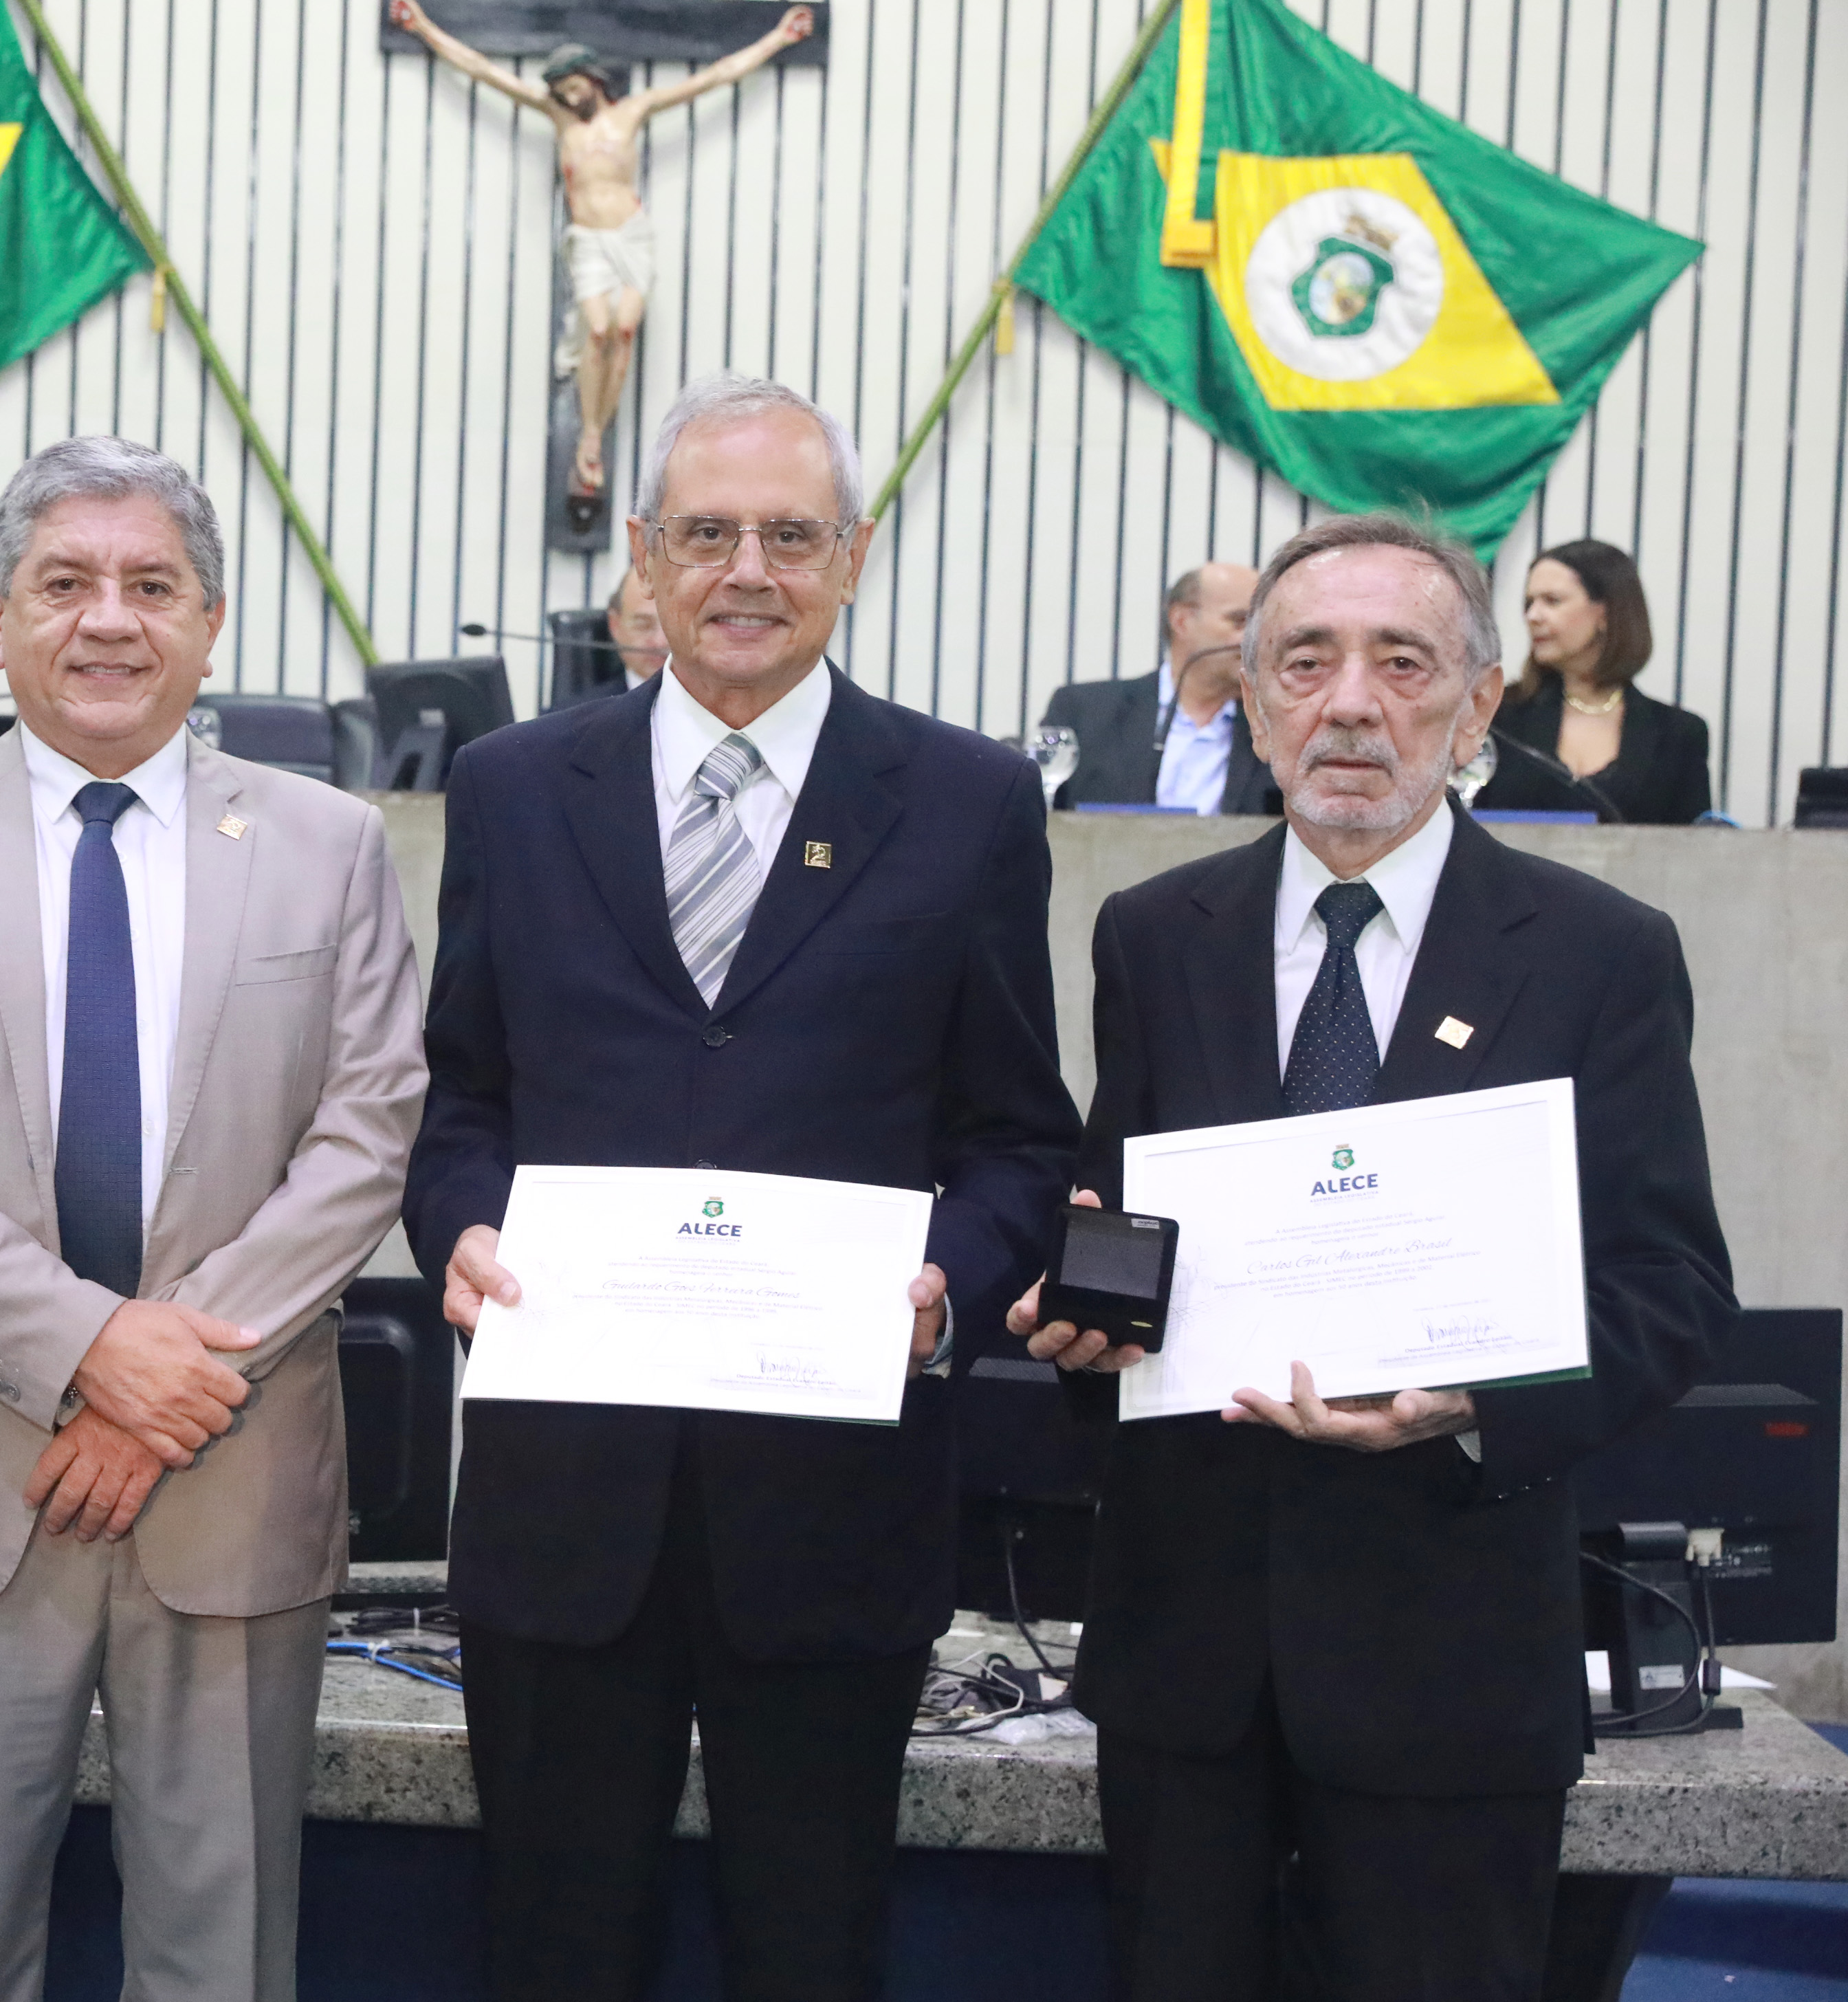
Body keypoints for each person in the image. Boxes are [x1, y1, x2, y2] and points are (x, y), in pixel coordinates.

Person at [404, 373, 1080, 2002]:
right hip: (567, 1514)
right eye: (706, 535)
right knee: (554, 1954)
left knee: (809, 1950)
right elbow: (463, 1100)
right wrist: (462, 1229)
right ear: (644, 553)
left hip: (834, 1515)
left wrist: (948, 1289)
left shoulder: (970, 801)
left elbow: (1015, 1137)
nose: (747, 572)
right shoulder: (511, 787)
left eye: (791, 535)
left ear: (854, 554)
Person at [1009, 512, 1735, 2001]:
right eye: (1304, 662)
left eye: (1400, 663)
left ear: (1476, 708)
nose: (1348, 703)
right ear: (1251, 703)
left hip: (1447, 1665)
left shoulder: (1598, 952)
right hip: (1186, 1665)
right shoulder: (1154, 935)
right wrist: (1078, 1314)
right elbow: (1123, 1218)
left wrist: (1469, 1402)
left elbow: (1668, 1290)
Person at [0, 435, 426, 2002]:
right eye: (64, 582)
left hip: (227, 1475)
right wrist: (91, 1352)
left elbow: (366, 1137)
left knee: (223, 1961)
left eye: (152, 584)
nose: (109, 619)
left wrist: (162, 1387)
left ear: (210, 624)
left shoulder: (329, 844)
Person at [387, 0, 811, 516]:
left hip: (631, 235)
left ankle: (597, 429)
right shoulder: (559, 119)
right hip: (588, 240)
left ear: (593, 79)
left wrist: (778, 38)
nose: (570, 96)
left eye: (575, 86)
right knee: (598, 328)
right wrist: (423, 28)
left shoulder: (633, 112)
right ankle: (591, 436)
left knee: (625, 331)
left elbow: (715, 77)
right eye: (562, 91)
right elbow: (482, 70)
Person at [1477, 538, 1712, 824]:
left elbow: (1695, 844)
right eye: (1529, 603)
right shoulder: (1497, 718)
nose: (1532, 616)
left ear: (1606, 613)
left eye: (1552, 601)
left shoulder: (1678, 735)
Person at [1036, 562, 1278, 815]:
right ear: (1182, 621)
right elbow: (1042, 816)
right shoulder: (1085, 712)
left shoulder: (1274, 724)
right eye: (1240, 621)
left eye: (1263, 626)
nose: (1256, 640)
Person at [561, 569, 669, 706]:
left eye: (671, 626)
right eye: (643, 626)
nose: (660, 642)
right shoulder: (574, 714)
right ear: (615, 625)